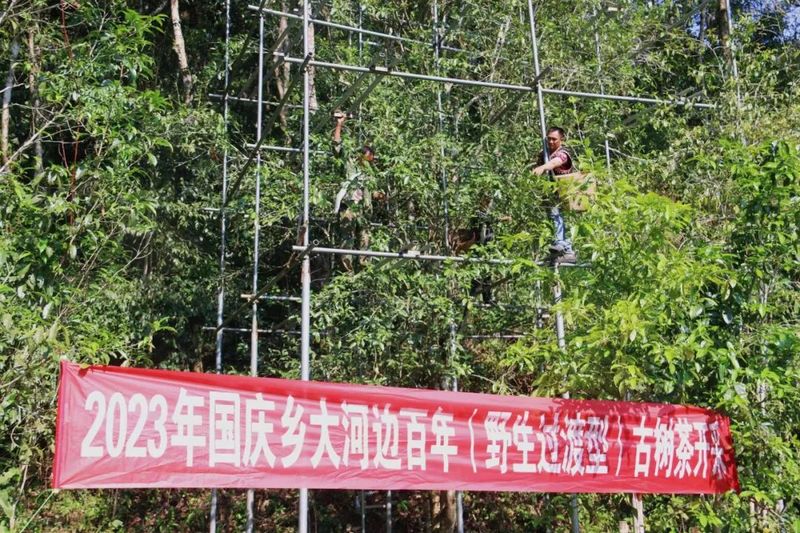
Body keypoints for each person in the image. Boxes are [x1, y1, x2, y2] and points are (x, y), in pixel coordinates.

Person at [332, 112, 378, 269]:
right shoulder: (350, 162)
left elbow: (371, 192)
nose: (371, 160)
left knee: (365, 238)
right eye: (370, 157)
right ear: (365, 154)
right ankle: (348, 270)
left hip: (364, 210)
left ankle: (365, 267)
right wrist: (340, 125)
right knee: (347, 238)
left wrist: (379, 195)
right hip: (350, 206)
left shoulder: (369, 172)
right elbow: (337, 146)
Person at [533, 127, 578, 265]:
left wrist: (543, 167)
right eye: (549, 139)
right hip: (550, 195)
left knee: (557, 216)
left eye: (554, 139)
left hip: (563, 194)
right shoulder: (545, 154)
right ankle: (564, 250)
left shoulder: (563, 153)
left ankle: (563, 246)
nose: (551, 142)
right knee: (552, 218)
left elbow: (556, 162)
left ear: (561, 140)